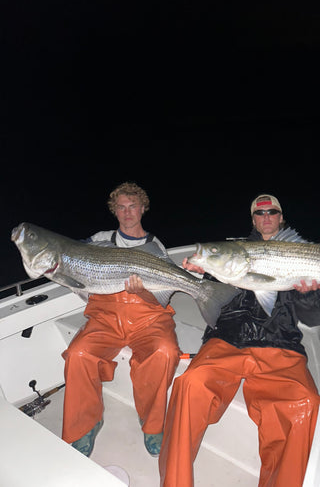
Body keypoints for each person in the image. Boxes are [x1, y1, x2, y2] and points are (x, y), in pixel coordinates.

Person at [159, 194, 320, 487]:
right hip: (229, 339)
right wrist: (205, 275)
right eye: (259, 213)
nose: (266, 217)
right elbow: (213, 301)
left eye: (272, 212)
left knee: (305, 402)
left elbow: (317, 317)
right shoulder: (232, 250)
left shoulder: (298, 254)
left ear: (280, 217)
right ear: (253, 220)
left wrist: (310, 292)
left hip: (280, 343)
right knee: (190, 384)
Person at [61, 182, 180, 458]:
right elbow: (73, 260)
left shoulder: (155, 246)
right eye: (121, 207)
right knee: (78, 354)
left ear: (142, 209)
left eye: (133, 206)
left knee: (165, 352)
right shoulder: (100, 238)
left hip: (147, 317)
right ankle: (85, 425)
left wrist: (145, 291)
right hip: (106, 318)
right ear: (114, 210)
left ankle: (152, 425)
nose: (127, 213)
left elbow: (164, 297)